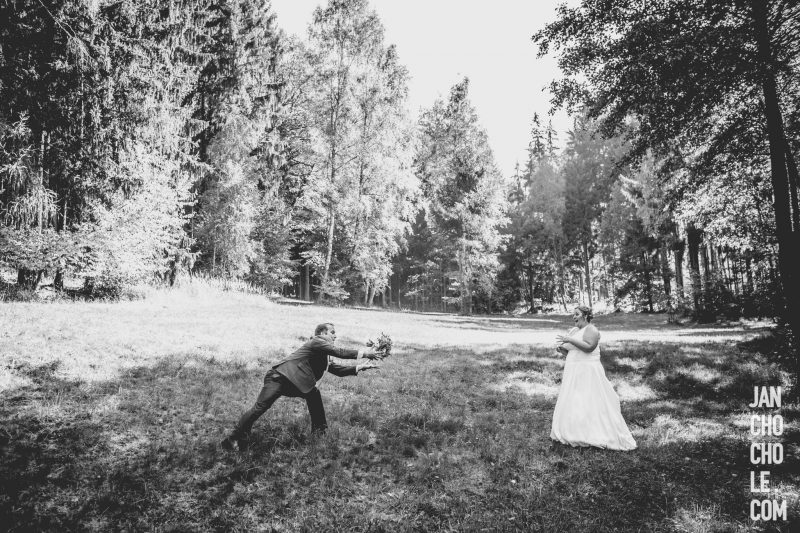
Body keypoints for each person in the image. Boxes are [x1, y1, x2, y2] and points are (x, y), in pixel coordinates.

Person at [221, 323, 381, 452]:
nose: (335, 336)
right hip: (279, 378)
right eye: (332, 332)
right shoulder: (317, 341)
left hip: (293, 382)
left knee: (314, 394)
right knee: (260, 408)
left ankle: (319, 433)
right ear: (322, 333)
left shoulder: (323, 353)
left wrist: (360, 367)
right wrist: (366, 353)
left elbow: (337, 369)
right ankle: (232, 438)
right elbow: (339, 351)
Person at [551, 306, 637, 451]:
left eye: (576, 314)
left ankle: (594, 432)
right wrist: (562, 349)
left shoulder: (592, 330)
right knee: (575, 399)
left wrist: (569, 339)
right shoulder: (574, 330)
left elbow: (589, 347)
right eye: (573, 314)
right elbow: (574, 351)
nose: (573, 317)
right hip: (573, 370)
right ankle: (575, 431)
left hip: (588, 371)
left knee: (589, 399)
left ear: (585, 315)